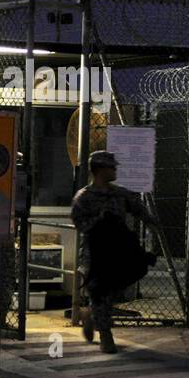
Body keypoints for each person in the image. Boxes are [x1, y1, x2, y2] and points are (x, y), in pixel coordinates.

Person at [70, 150, 157, 353]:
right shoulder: (85, 197)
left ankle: (91, 314)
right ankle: (105, 335)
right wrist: (99, 219)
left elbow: (138, 209)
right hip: (96, 252)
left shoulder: (119, 194)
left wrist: (151, 221)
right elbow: (79, 223)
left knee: (111, 291)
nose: (115, 169)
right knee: (100, 292)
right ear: (100, 170)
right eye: (111, 166)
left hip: (117, 252)